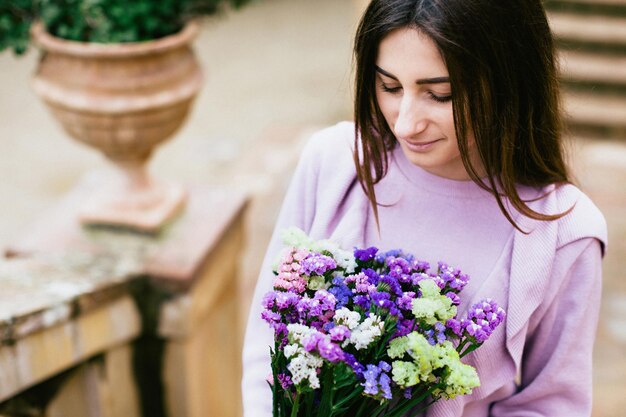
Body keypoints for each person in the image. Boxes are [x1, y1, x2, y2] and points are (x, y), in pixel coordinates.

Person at [242, 0, 607, 415]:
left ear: (509, 81)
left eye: (439, 94)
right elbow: (266, 341)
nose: (405, 123)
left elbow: (551, 404)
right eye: (390, 87)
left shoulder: (563, 230)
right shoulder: (334, 162)